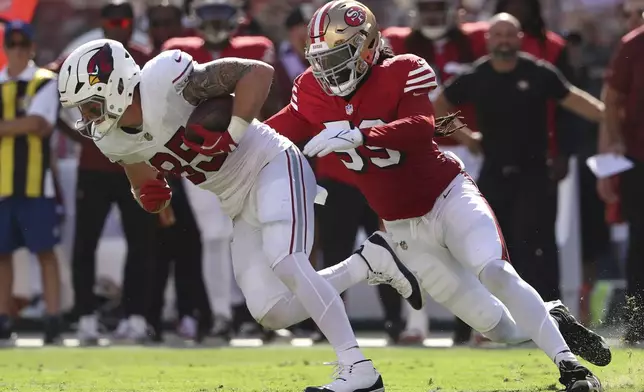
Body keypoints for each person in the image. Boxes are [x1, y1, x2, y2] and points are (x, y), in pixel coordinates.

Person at [265, 2, 608, 391]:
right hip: (403, 230)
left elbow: (420, 126)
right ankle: (553, 316)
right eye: (321, 60)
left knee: (496, 272)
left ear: (368, 45)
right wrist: (229, 143)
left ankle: (572, 369)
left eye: (338, 56)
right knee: (500, 329)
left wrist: (361, 135)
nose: (328, 70)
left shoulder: (403, 69)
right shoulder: (310, 89)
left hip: (447, 196)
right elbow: (271, 135)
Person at [57, 38, 423, 392]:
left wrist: (232, 134)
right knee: (271, 312)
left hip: (271, 163)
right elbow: (143, 184)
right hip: (236, 201)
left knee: (287, 261)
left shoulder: (162, 80)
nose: (87, 117)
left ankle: (358, 368)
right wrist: (150, 198)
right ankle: (368, 262)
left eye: (90, 105)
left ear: (117, 85)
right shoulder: (113, 138)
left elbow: (257, 73)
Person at [433, 13, 605, 310]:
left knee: (537, 247)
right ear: (488, 40)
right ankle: (489, 320)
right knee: (491, 246)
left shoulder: (539, 73)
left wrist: (614, 121)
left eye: (509, 34)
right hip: (493, 174)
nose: (504, 40)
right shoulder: (476, 76)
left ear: (520, 38)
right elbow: (436, 111)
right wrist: (468, 138)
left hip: (534, 174)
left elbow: (578, 102)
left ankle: (550, 314)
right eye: (498, 34)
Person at [47, 0, 156, 343]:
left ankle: (136, 316)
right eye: (113, 19)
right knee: (85, 244)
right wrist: (81, 136)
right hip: (95, 166)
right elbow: (49, 80)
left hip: (135, 162)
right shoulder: (84, 55)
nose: (120, 24)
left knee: (140, 242)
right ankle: (86, 317)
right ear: (103, 22)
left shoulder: (142, 55)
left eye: (125, 19)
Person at [382, 0, 482, 345]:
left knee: (467, 236)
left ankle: (476, 322)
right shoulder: (397, 44)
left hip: (464, 151)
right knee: (411, 238)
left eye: (439, 5)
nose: (433, 12)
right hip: (417, 149)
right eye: (426, 5)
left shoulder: (477, 40)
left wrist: (464, 134)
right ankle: (416, 321)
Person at [0, 20, 62, 345]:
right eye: (13, 44)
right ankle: (3, 319)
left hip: (37, 184)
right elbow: (28, 123)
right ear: (5, 47)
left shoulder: (44, 82)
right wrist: (18, 125)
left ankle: (53, 319)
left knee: (45, 252)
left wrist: (8, 126)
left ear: (33, 48)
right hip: (2, 185)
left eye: (24, 45)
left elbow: (40, 124)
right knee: (1, 255)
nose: (19, 51)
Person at [599, 21, 644, 345]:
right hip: (638, 157)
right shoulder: (633, 45)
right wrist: (607, 159)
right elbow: (611, 99)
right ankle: (637, 321)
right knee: (640, 242)